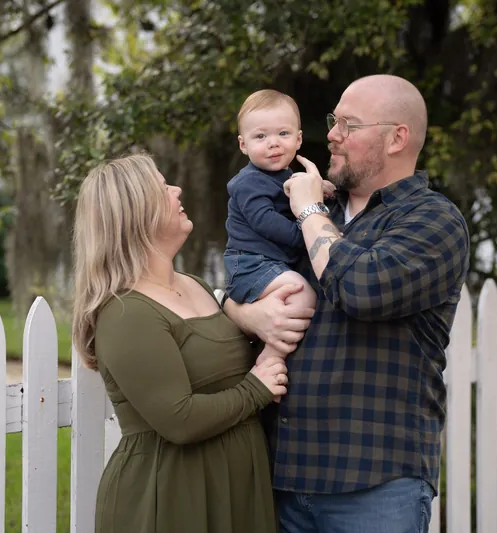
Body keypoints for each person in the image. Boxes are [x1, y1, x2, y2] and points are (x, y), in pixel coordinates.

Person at [223, 74, 471, 533]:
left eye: (349, 125)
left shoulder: (432, 219)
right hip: (282, 478)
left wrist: (308, 212)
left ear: (396, 138)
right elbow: (243, 273)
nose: (332, 135)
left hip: (374, 484)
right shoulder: (319, 210)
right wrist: (243, 311)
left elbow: (360, 288)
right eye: (333, 121)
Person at [71, 153, 288, 533]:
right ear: (137, 214)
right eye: (162, 187)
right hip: (170, 497)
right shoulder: (127, 312)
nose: (177, 189)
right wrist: (256, 389)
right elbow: (179, 420)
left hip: (234, 487)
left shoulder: (194, 285)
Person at [223, 89, 335, 366]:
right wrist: (307, 235)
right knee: (301, 292)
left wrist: (320, 187)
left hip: (271, 264)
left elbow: (297, 192)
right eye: (260, 136)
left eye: (283, 134)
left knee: (292, 298)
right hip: (249, 264)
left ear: (298, 139)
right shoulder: (247, 183)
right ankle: (271, 358)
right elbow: (265, 221)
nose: (273, 143)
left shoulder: (288, 176)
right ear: (243, 145)